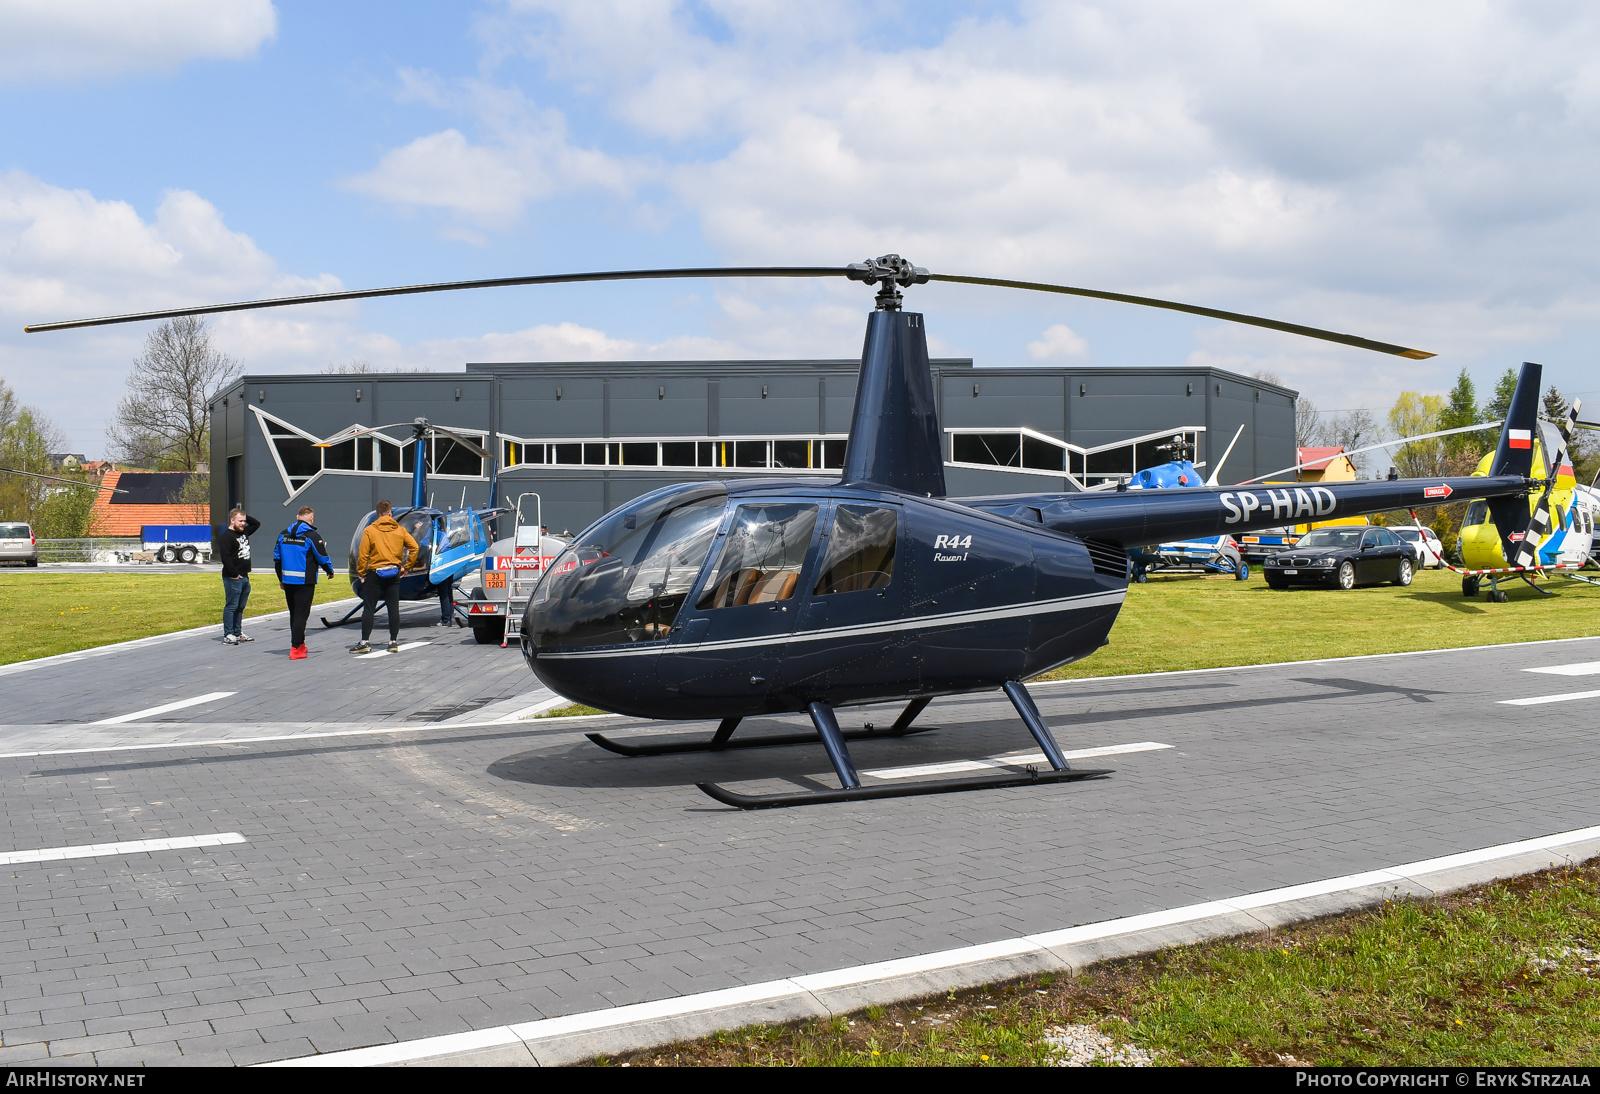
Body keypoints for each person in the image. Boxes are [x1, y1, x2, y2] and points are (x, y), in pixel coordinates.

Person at [352, 500, 418, 654]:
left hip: (375, 573)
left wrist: (361, 573)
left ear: (377, 514)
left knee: (369, 608)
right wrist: (406, 567)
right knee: (393, 608)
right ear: (390, 513)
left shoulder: (370, 530)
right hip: (393, 573)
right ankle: (393, 641)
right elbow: (414, 548)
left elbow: (363, 555)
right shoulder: (400, 530)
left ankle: (365, 642)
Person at [274, 506, 335, 660]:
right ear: (311, 519)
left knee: (294, 614)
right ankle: (295, 648)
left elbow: (277, 558)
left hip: (288, 580)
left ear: (297, 516)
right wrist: (330, 571)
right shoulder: (312, 536)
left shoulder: (283, 535)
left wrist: (280, 579)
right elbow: (322, 556)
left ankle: (300, 644)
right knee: (302, 614)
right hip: (305, 581)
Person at [215, 508, 260, 645]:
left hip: (245, 576)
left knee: (240, 607)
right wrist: (234, 574)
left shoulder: (244, 532)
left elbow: (256, 524)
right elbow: (226, 558)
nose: (243, 524)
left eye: (244, 521)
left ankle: (237, 632)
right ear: (232, 520)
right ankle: (228, 634)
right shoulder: (226, 537)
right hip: (233, 578)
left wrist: (243, 515)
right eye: (240, 521)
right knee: (232, 606)